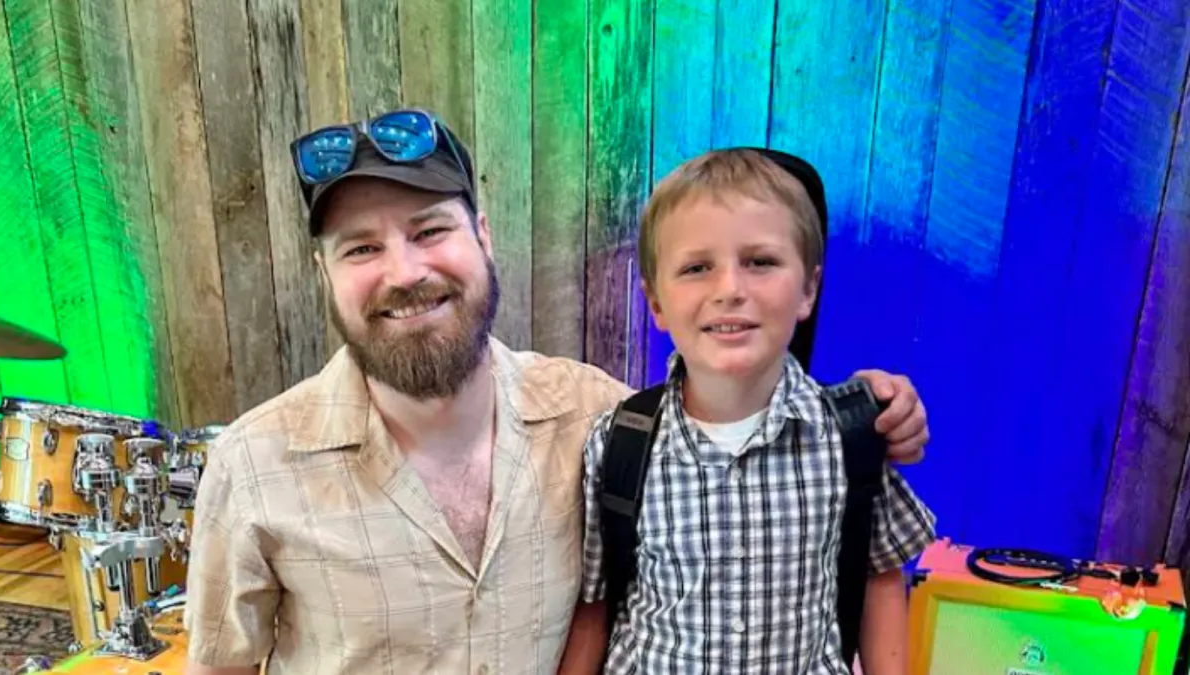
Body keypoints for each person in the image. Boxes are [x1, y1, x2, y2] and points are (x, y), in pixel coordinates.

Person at [183, 109, 932, 675]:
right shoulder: (253, 468)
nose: (404, 270)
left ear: (482, 235)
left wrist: (868, 409)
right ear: (327, 276)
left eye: (429, 229)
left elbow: (728, 410)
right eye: (362, 248)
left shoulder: (595, 417)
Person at [563, 148, 936, 674]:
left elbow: (879, 575)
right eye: (697, 268)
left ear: (808, 288)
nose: (730, 290)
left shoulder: (852, 436)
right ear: (657, 305)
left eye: (760, 262)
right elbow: (595, 605)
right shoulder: (619, 444)